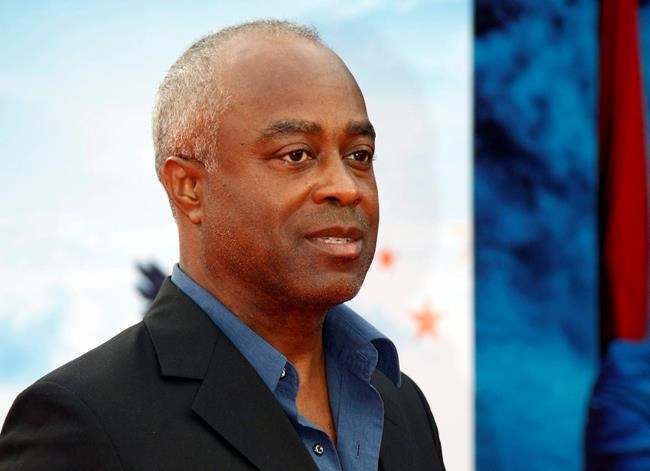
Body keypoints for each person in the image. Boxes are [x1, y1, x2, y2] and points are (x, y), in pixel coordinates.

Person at [0, 20, 445, 470]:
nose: (346, 188)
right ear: (188, 187)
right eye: (296, 155)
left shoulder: (402, 406)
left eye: (359, 155)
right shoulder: (80, 423)